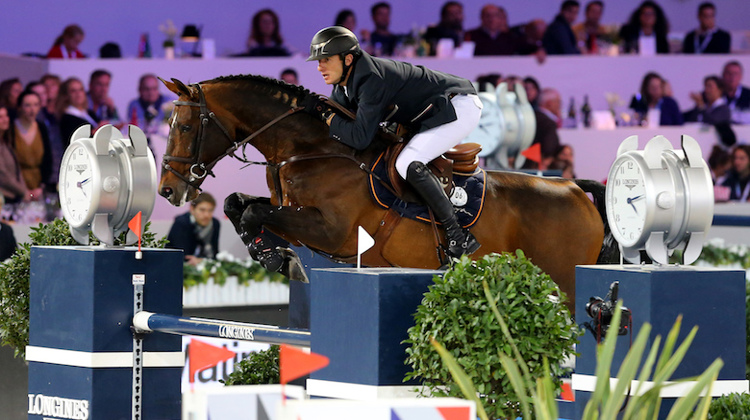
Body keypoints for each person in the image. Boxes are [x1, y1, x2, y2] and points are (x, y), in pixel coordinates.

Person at [304, 26, 481, 258]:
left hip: (458, 106)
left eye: (325, 60)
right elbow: (338, 121)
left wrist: (326, 116)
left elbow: (358, 138)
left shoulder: (371, 80)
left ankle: (458, 234)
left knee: (407, 162)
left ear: (347, 58)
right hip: (428, 113)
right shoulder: (345, 83)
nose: (319, 67)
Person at [14, 91, 52, 198]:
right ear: (19, 107)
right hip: (17, 187)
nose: (32, 110)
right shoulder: (11, 129)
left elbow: (48, 159)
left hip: (39, 186)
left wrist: (41, 186)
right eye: (27, 105)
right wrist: (22, 189)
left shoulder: (41, 127)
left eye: (36, 105)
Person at [167, 192, 220, 265]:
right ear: (192, 209)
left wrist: (201, 261)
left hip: (204, 266)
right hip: (176, 266)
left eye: (210, 210)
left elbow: (214, 253)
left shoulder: (214, 224)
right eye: (202, 210)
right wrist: (204, 261)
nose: (206, 215)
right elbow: (183, 257)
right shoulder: (182, 223)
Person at [465, 5, 539, 57]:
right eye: (488, 16)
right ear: (481, 17)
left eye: (495, 16)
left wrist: (539, 51)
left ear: (501, 18)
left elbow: (529, 48)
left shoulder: (510, 37)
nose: (492, 19)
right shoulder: (470, 36)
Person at [56, 77, 97, 149]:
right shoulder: (66, 119)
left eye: (80, 90)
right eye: (73, 91)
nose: (78, 94)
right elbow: (75, 141)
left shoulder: (90, 113)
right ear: (66, 95)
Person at [0, 105, 29, 204]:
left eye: (6, 116)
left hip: (14, 197)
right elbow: (3, 176)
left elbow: (17, 171)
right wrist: (24, 191)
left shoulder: (5, 142)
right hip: (4, 200)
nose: (5, 120)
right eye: (1, 117)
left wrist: (25, 191)